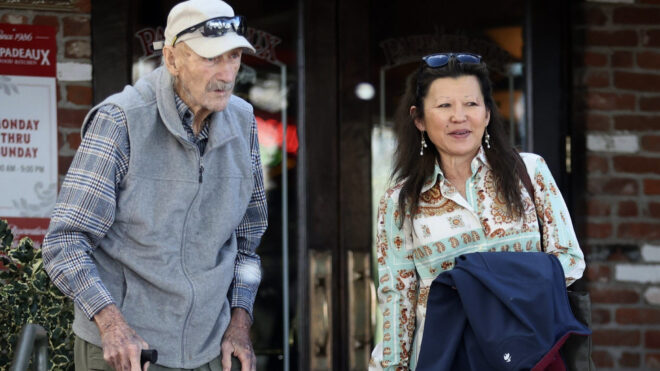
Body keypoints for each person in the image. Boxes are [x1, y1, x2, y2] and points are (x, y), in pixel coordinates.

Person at [42, 0, 267, 370]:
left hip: (210, 350)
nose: (227, 74)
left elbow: (248, 249)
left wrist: (240, 322)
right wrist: (111, 325)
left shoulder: (244, 124)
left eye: (234, 57)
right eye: (211, 59)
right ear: (172, 59)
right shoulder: (121, 121)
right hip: (126, 349)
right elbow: (64, 243)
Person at [369, 53, 585, 370]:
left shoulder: (529, 171)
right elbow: (398, 299)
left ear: (486, 113)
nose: (460, 117)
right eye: (444, 106)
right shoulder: (400, 200)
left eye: (471, 104)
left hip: (527, 355)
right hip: (445, 357)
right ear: (419, 119)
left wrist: (474, 283)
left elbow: (569, 260)